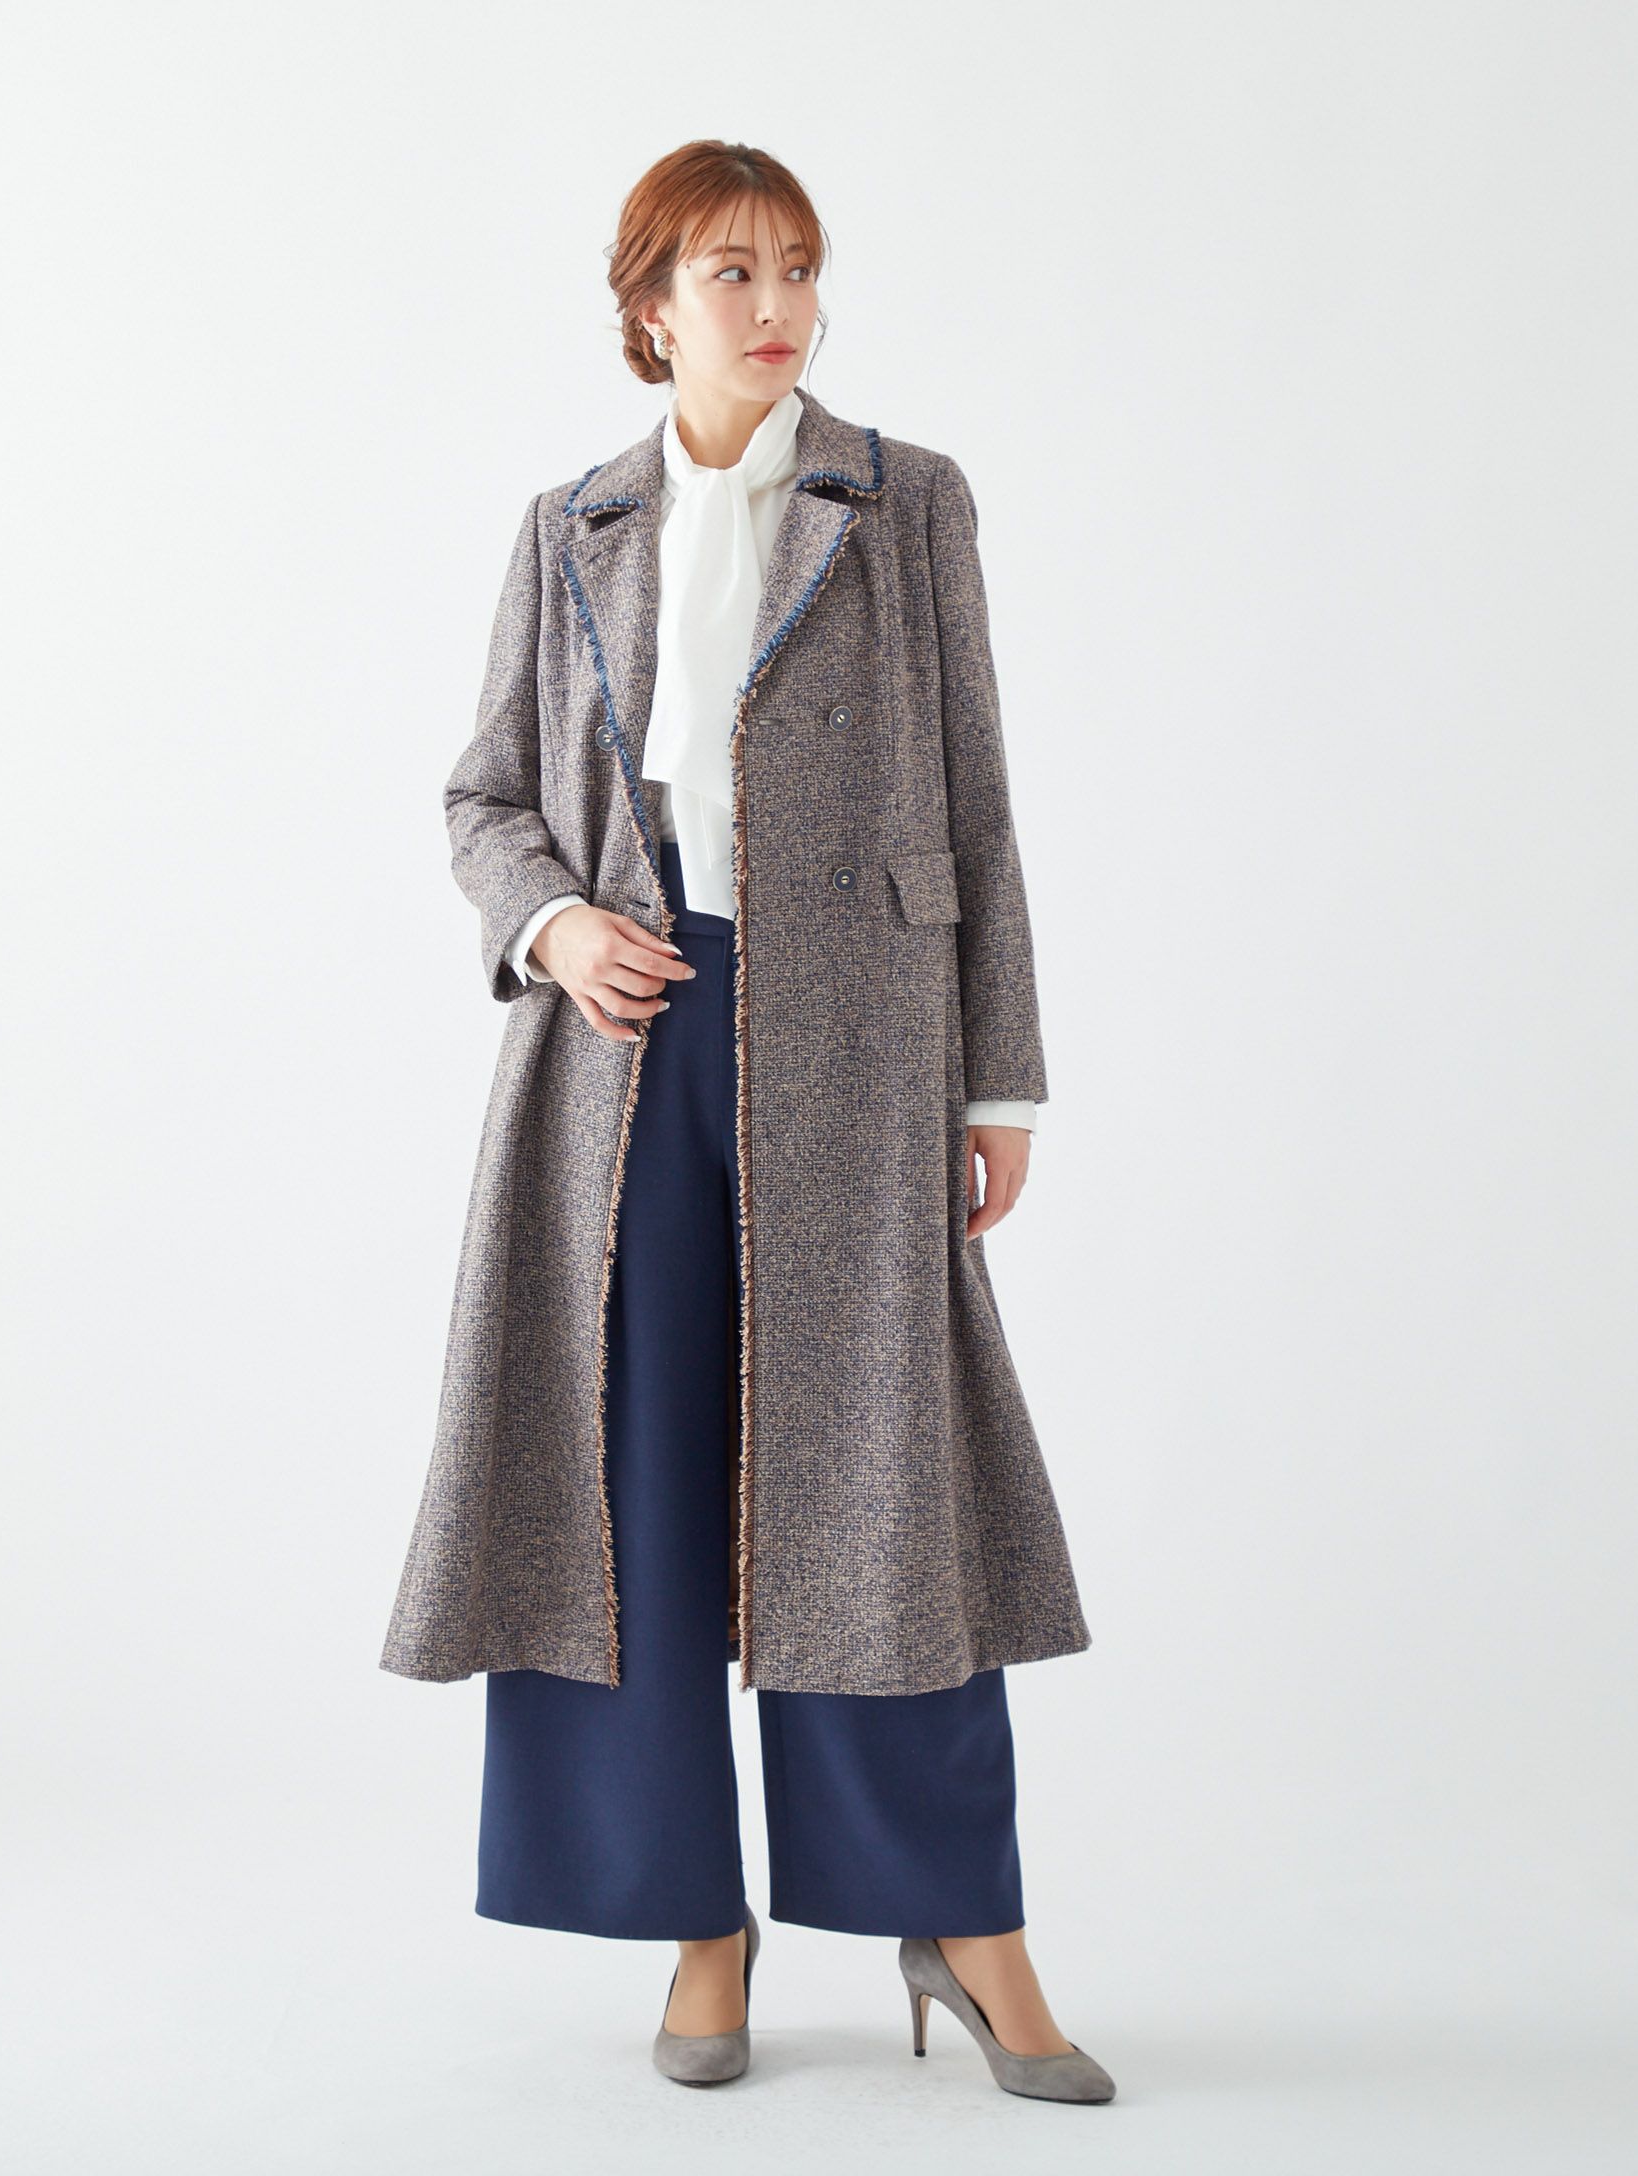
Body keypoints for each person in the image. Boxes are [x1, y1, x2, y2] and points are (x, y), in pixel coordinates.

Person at [380, 139, 1114, 2104]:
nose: (777, 302)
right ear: (650, 305)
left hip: (860, 1053)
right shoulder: (570, 526)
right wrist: (551, 926)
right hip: (621, 1068)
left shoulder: (904, 497)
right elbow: (481, 792)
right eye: (731, 269)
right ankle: (691, 1920)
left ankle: (963, 1924)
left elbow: (976, 799)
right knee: (624, 1490)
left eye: (798, 265)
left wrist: (997, 1075)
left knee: (878, 1492)